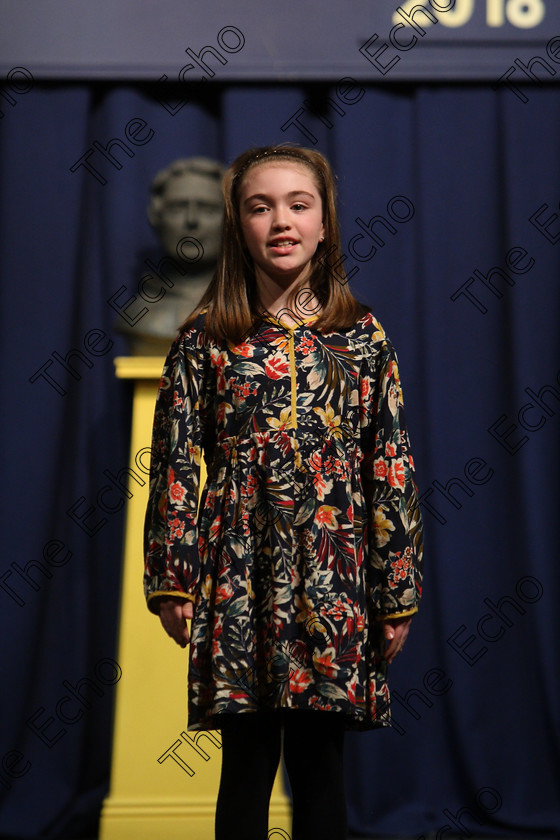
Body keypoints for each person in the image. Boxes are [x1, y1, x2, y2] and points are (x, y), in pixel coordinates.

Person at [143, 144, 424, 840]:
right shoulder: (207, 340)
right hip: (239, 576)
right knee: (246, 759)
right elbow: (176, 465)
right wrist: (172, 579)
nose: (281, 221)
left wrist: (395, 590)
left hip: (335, 579)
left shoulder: (361, 338)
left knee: (321, 764)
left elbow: (389, 465)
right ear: (238, 223)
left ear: (325, 221)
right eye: (260, 206)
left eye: (299, 205)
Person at [123, 157, 225, 355]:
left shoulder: (251, 308)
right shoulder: (139, 312)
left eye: (208, 209)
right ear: (156, 217)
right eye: (178, 208)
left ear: (231, 221)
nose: (192, 220)